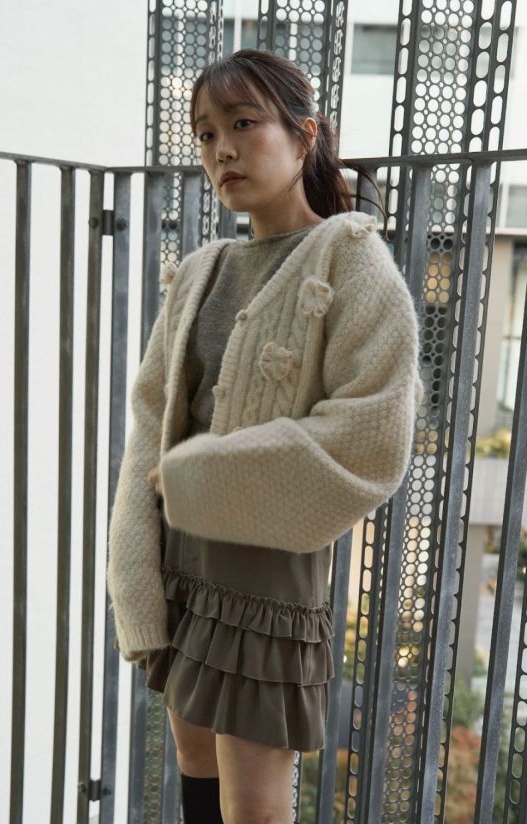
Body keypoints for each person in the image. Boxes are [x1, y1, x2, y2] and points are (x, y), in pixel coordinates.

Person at [106, 48, 424, 824]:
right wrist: (135, 567)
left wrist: (205, 476)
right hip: (182, 559)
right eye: (206, 133)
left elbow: (372, 435)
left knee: (254, 804)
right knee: (193, 765)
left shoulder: (352, 259)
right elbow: (150, 422)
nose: (223, 149)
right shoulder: (204, 269)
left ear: (304, 134)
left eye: (244, 124)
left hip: (267, 576)